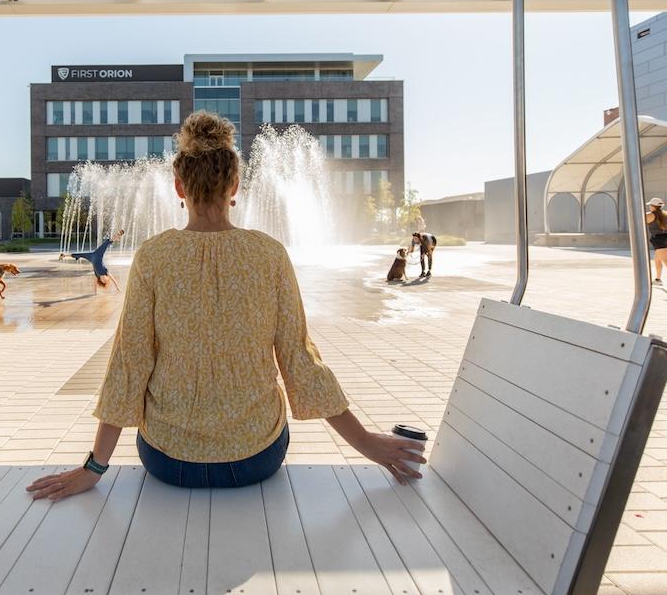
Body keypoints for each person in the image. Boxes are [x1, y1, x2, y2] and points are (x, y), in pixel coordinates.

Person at [26, 111, 425, 501]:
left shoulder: (153, 256)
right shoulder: (269, 255)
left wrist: (93, 469)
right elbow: (299, 361)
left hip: (168, 461)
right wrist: (368, 444)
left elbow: (130, 363)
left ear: (179, 188)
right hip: (256, 458)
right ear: (235, 185)